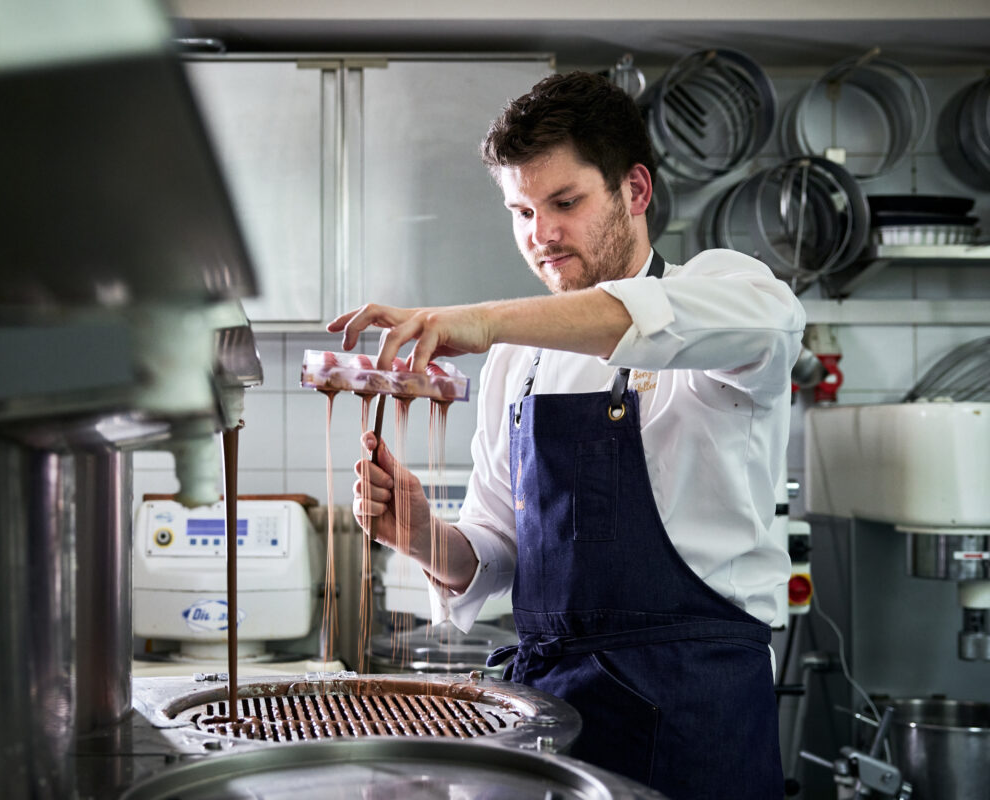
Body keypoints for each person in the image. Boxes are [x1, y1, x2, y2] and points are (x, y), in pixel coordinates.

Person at [328, 71, 804, 800]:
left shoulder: (722, 290)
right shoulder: (519, 363)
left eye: (565, 203)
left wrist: (483, 321)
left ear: (635, 191)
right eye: (521, 212)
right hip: (554, 721)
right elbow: (495, 550)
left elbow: (727, 322)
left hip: (693, 724)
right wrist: (422, 532)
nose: (540, 235)